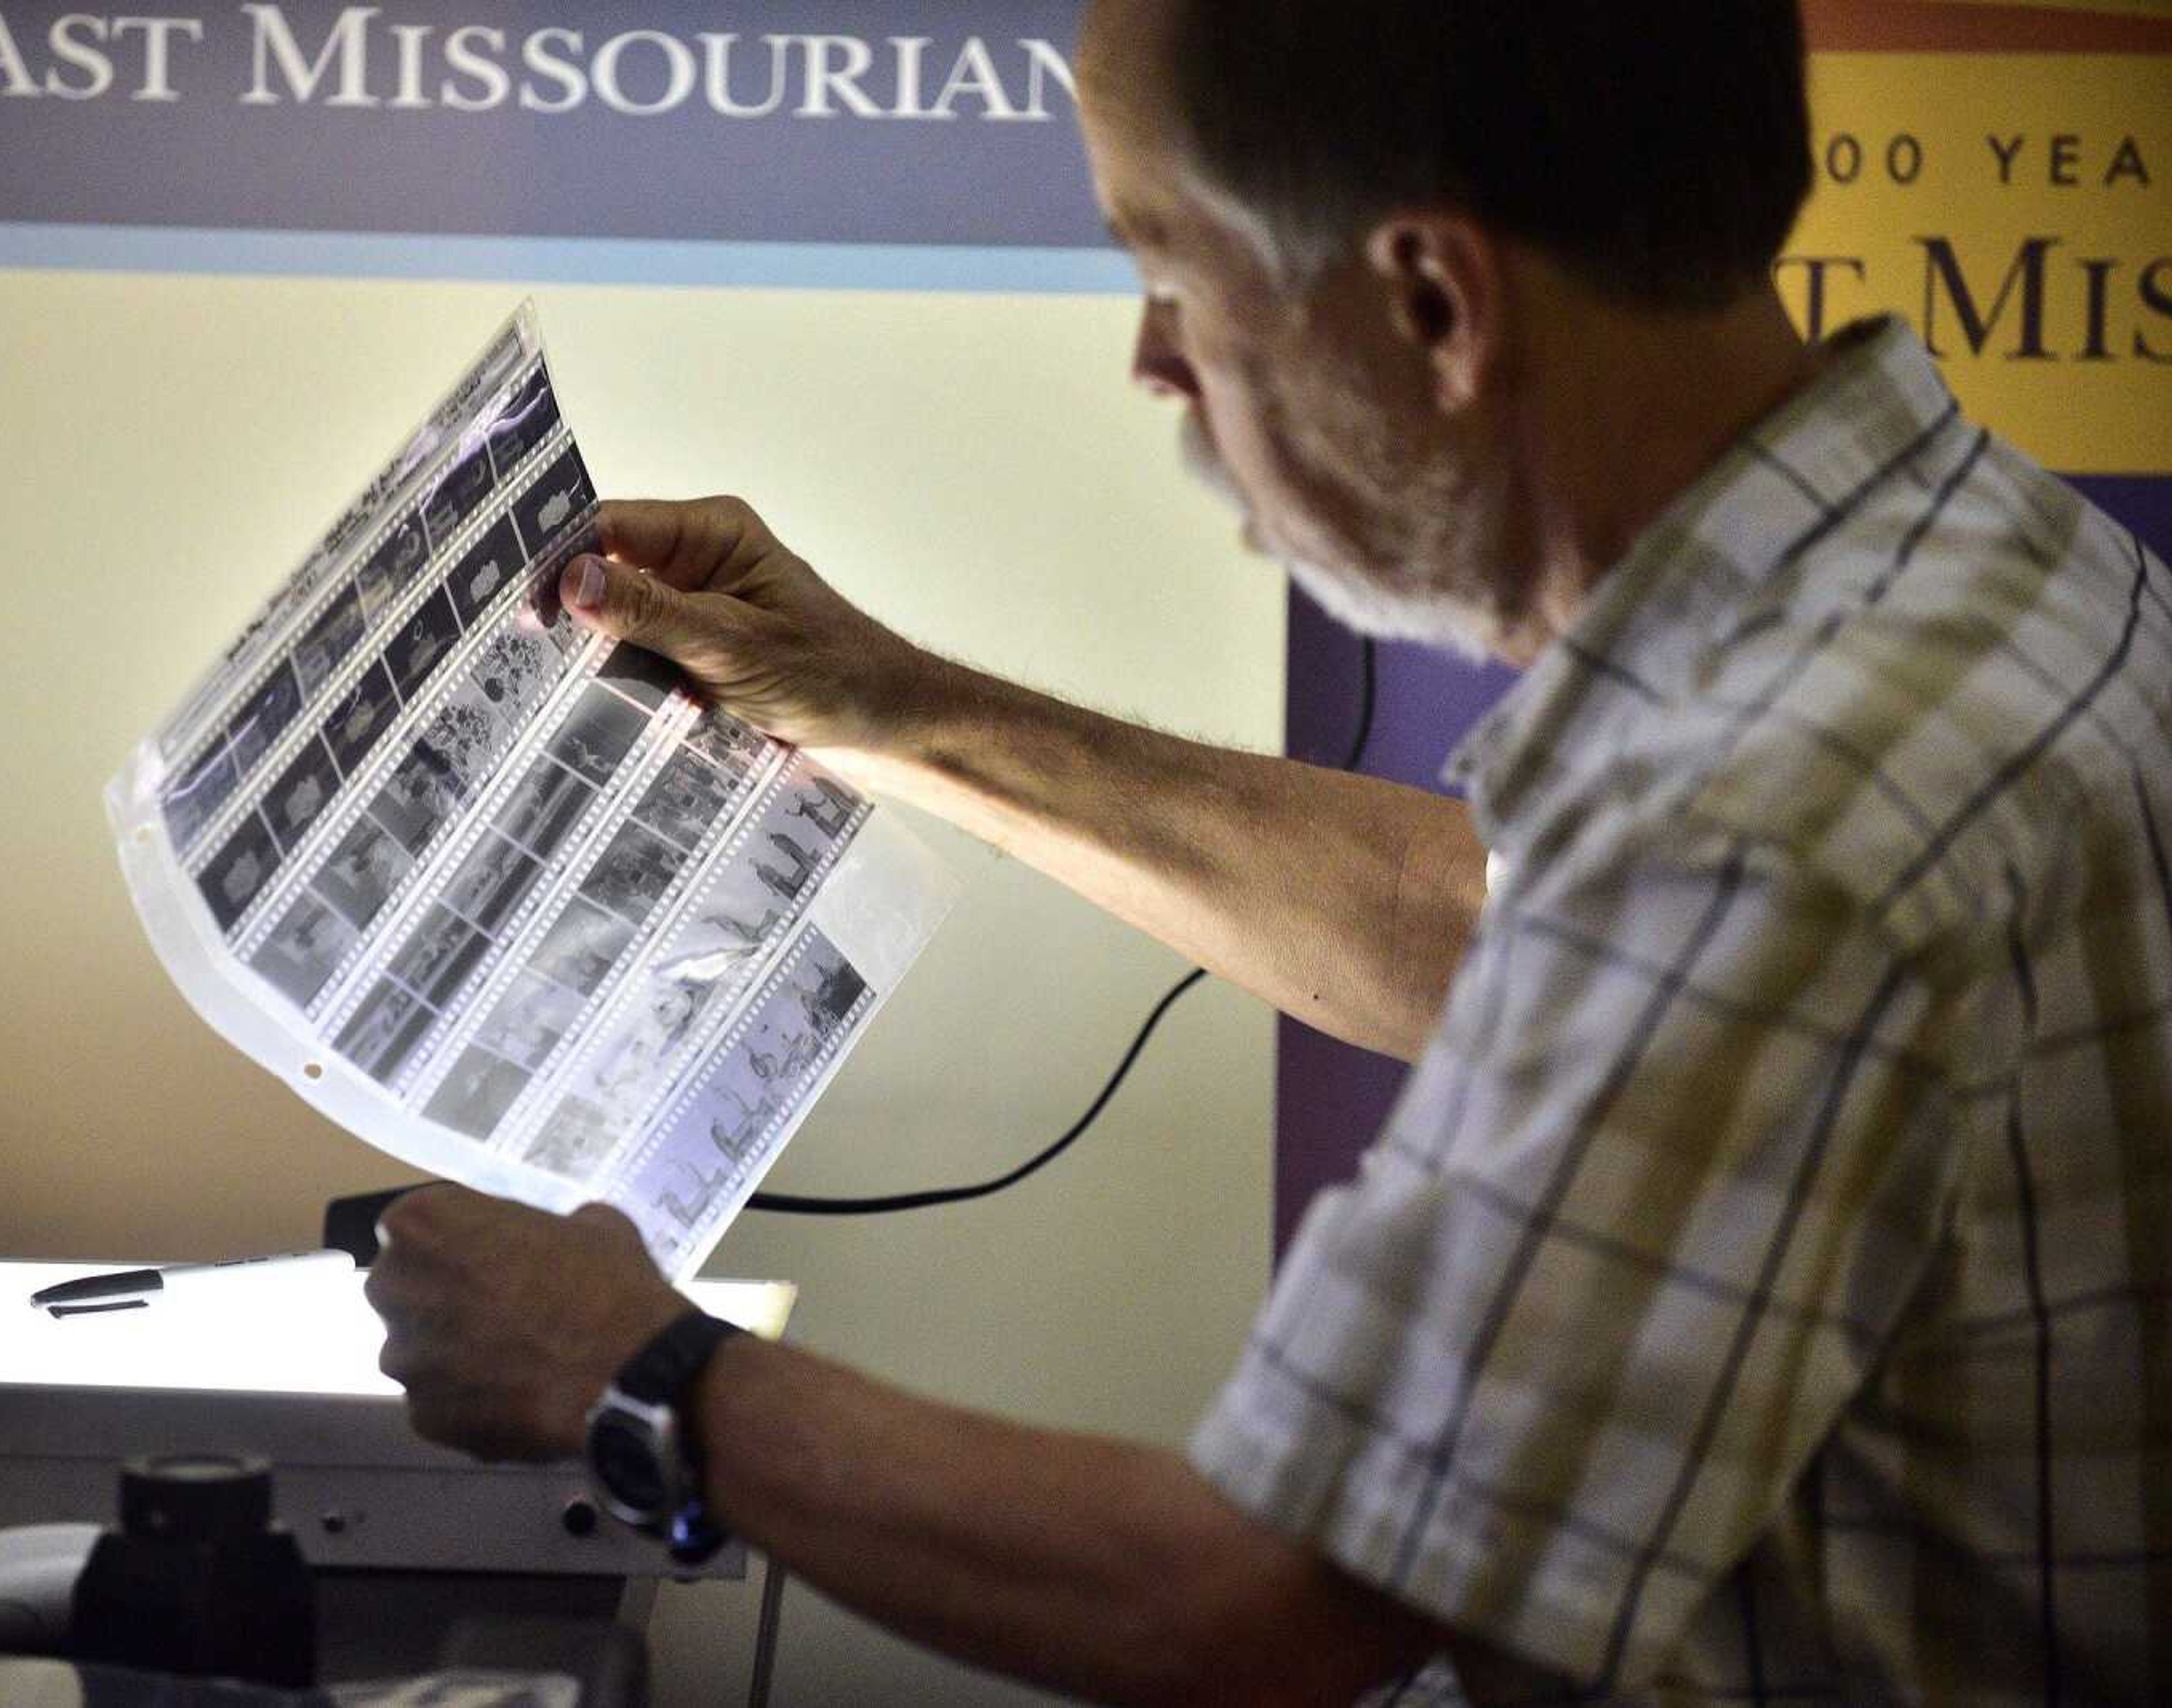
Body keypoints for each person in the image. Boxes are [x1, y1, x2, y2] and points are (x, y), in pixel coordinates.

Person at [366, 2, 2171, 1700]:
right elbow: (1490, 930)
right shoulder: (1961, 570)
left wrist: (627, 1368)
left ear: (1436, 303)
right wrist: (881, 701)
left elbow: (1256, 1596)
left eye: (1174, 270)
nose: (1158, 361)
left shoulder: (1761, 809)